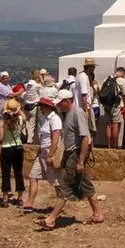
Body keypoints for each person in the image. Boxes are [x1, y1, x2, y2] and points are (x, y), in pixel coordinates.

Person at [37, 89, 103, 229]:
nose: (58, 106)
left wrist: (80, 161)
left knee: (65, 185)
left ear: (67, 101)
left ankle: (51, 219)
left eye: (60, 103)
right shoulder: (67, 114)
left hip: (75, 154)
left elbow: (85, 138)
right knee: (84, 184)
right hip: (71, 153)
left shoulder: (77, 113)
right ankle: (97, 214)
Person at [22, 96, 61, 213]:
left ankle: (61, 202)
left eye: (42, 107)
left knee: (56, 181)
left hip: (49, 151)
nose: (40, 109)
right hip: (43, 152)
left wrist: (51, 154)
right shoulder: (47, 119)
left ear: (47, 107)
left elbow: (56, 136)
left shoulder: (54, 119)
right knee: (34, 175)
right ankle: (29, 203)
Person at [0, 97, 26, 207]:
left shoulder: (2, 122)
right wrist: (17, 110)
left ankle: (5, 199)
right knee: (18, 173)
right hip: (18, 148)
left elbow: (0, 139)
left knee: (5, 174)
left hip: (6, 149)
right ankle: (20, 198)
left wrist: (1, 127)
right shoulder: (20, 120)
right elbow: (24, 116)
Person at [102, 67, 125, 149]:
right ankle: (115, 146)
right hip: (116, 106)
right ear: (123, 73)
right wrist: (124, 104)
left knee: (109, 124)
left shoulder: (107, 79)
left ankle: (109, 146)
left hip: (107, 105)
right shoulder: (122, 80)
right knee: (115, 124)